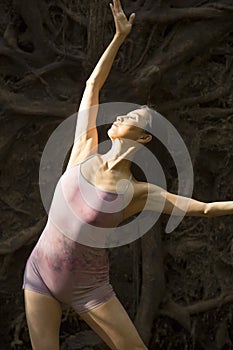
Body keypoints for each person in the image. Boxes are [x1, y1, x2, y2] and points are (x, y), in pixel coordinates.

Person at [23, 1, 233, 349]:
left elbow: (205, 208)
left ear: (145, 137)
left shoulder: (138, 191)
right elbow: (92, 85)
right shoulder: (83, 147)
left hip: (88, 286)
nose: (120, 117)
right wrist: (119, 38)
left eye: (131, 117)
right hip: (39, 274)